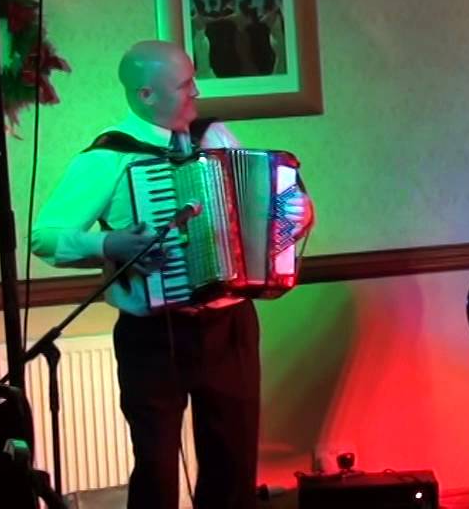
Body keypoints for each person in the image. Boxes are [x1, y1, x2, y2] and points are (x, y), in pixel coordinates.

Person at [32, 40, 314, 508]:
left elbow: (272, 202)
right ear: (146, 95)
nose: (196, 92)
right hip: (152, 334)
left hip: (230, 326)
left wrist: (294, 212)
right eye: (185, 85)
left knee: (233, 465)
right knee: (158, 467)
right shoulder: (109, 156)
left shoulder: (216, 136)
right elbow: (45, 235)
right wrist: (108, 243)